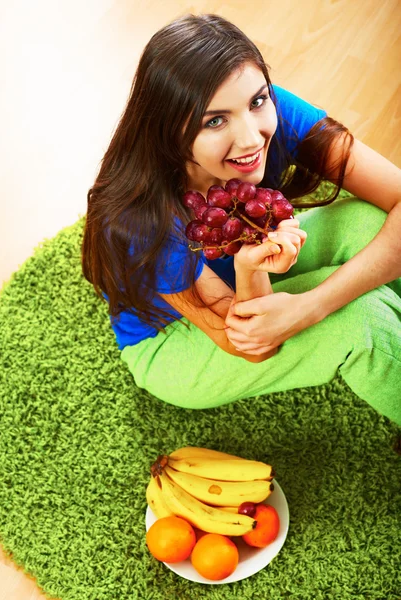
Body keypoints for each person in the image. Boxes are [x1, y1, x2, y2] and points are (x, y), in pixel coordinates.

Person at [82, 13, 401, 426]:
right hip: (175, 336)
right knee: (364, 324)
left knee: (369, 222)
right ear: (168, 133)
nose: (251, 137)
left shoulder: (274, 110)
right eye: (214, 120)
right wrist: (249, 269)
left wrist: (312, 305)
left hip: (248, 272)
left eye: (257, 101)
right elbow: (251, 342)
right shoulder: (141, 219)